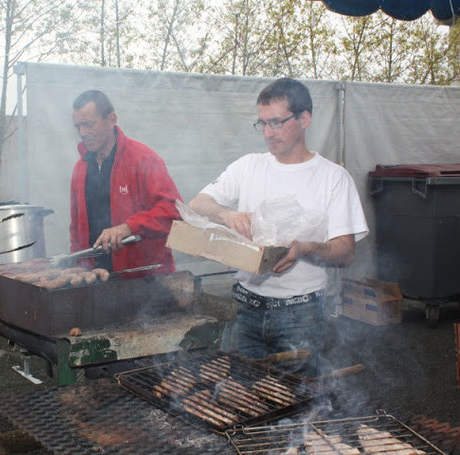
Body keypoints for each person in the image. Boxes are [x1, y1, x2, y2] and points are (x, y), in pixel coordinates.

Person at [188, 77, 368, 376]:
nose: (268, 134)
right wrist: (226, 214)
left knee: (296, 403)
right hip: (244, 307)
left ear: (304, 118)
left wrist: (303, 249)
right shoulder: (248, 166)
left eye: (277, 123)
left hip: (301, 313)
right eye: (262, 124)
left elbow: (346, 252)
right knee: (240, 396)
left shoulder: (333, 178)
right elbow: (197, 204)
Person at [69, 90, 182, 275]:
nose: (83, 133)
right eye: (78, 127)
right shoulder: (80, 168)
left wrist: (128, 227)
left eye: (89, 124)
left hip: (145, 280)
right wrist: (78, 268)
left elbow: (173, 211)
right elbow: (75, 229)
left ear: (111, 120)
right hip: (94, 279)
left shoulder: (142, 159)